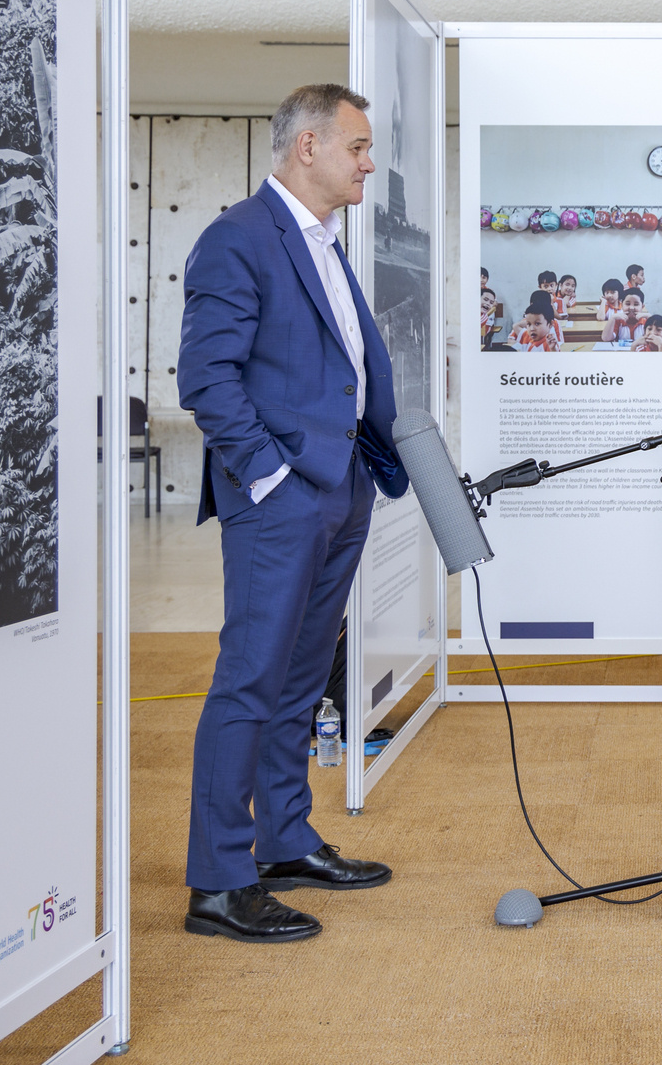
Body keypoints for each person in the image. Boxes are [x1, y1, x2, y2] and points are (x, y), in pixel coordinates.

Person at [176, 84, 411, 944]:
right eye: (356, 147)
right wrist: (272, 477)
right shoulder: (239, 239)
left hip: (341, 487)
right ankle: (218, 880)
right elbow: (207, 378)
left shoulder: (324, 244)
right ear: (306, 146)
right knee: (250, 679)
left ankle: (282, 839)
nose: (368, 162)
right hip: (281, 499)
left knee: (303, 677)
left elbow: (344, 368)